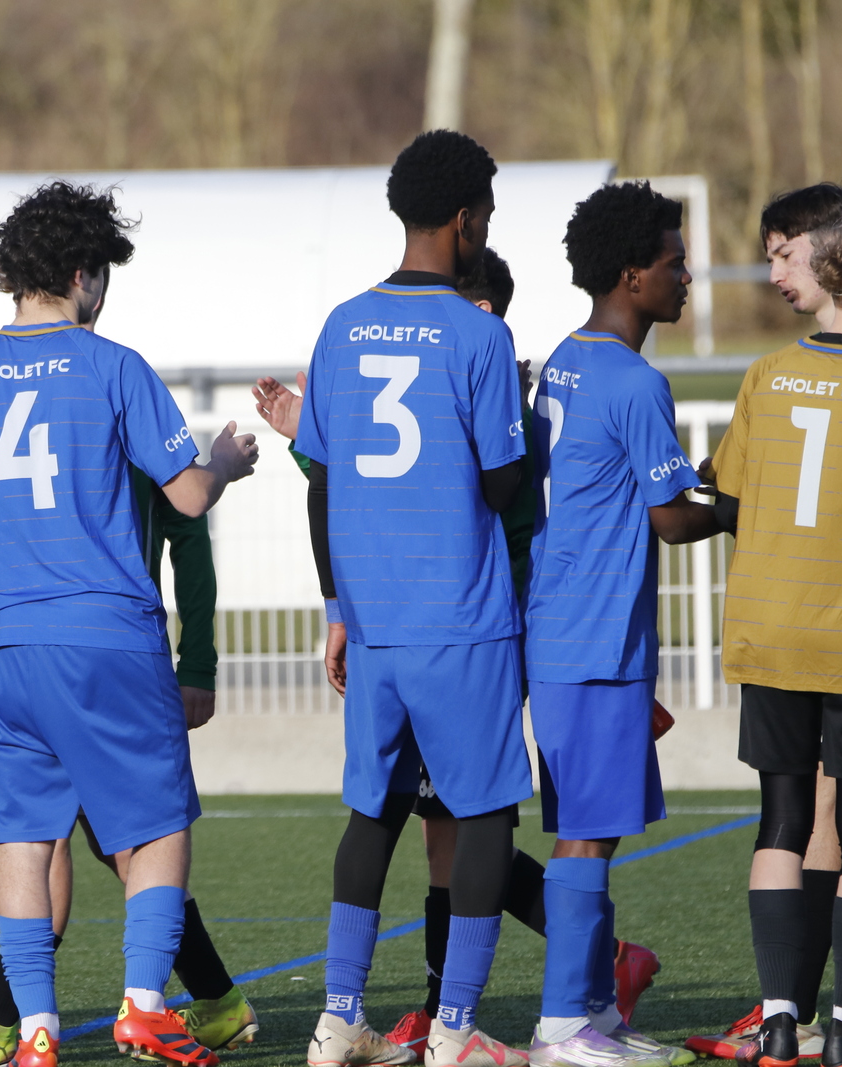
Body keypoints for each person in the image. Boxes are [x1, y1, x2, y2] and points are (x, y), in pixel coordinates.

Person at [251, 249, 667, 1063]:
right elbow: (378, 476)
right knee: (437, 822)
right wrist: (310, 445)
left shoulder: (496, 383)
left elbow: (475, 488)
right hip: (429, 626)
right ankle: (455, 1008)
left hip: (478, 630)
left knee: (455, 822)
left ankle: (484, 1000)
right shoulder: (470, 369)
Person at [0, 180, 258, 1067]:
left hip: (7, 643)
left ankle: (36, 1030)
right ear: (84, 274)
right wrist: (225, 461)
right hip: (107, 634)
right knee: (158, 822)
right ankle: (144, 1004)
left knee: (25, 838)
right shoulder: (113, 365)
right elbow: (187, 495)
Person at [295, 131, 532, 1067]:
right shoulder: (480, 332)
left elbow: (320, 481)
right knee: (485, 816)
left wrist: (336, 606)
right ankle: (456, 1028)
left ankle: (338, 1018)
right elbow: (503, 482)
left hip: (374, 622)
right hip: (461, 618)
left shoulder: (342, 324)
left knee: (374, 814)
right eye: (487, 218)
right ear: (466, 220)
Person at [0, 473, 258, 1064]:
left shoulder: (120, 426)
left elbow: (188, 525)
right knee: (96, 842)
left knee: (74, 838)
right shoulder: (80, 418)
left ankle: (8, 1026)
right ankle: (215, 1002)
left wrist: (197, 661)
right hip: (62, 651)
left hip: (99, 654)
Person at [708, 213, 842, 1067]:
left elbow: (729, 497)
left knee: (782, 820)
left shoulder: (767, 373)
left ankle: (780, 1019)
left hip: (769, 633)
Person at [523, 182, 721, 1067]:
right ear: (632, 274)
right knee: (586, 835)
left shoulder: (565, 359)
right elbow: (671, 519)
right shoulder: (637, 380)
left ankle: (596, 1012)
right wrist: (740, 505)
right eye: (676, 262)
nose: (687, 276)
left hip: (561, 625)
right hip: (598, 638)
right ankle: (563, 1023)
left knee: (589, 827)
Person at [684, 183, 842, 1063]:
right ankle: (812, 1013)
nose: (772, 273)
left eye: (784, 252)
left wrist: (684, 497)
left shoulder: (788, 372)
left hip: (830, 627)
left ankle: (788, 1012)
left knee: (822, 815)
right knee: (839, 814)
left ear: (839, 251)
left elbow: (730, 496)